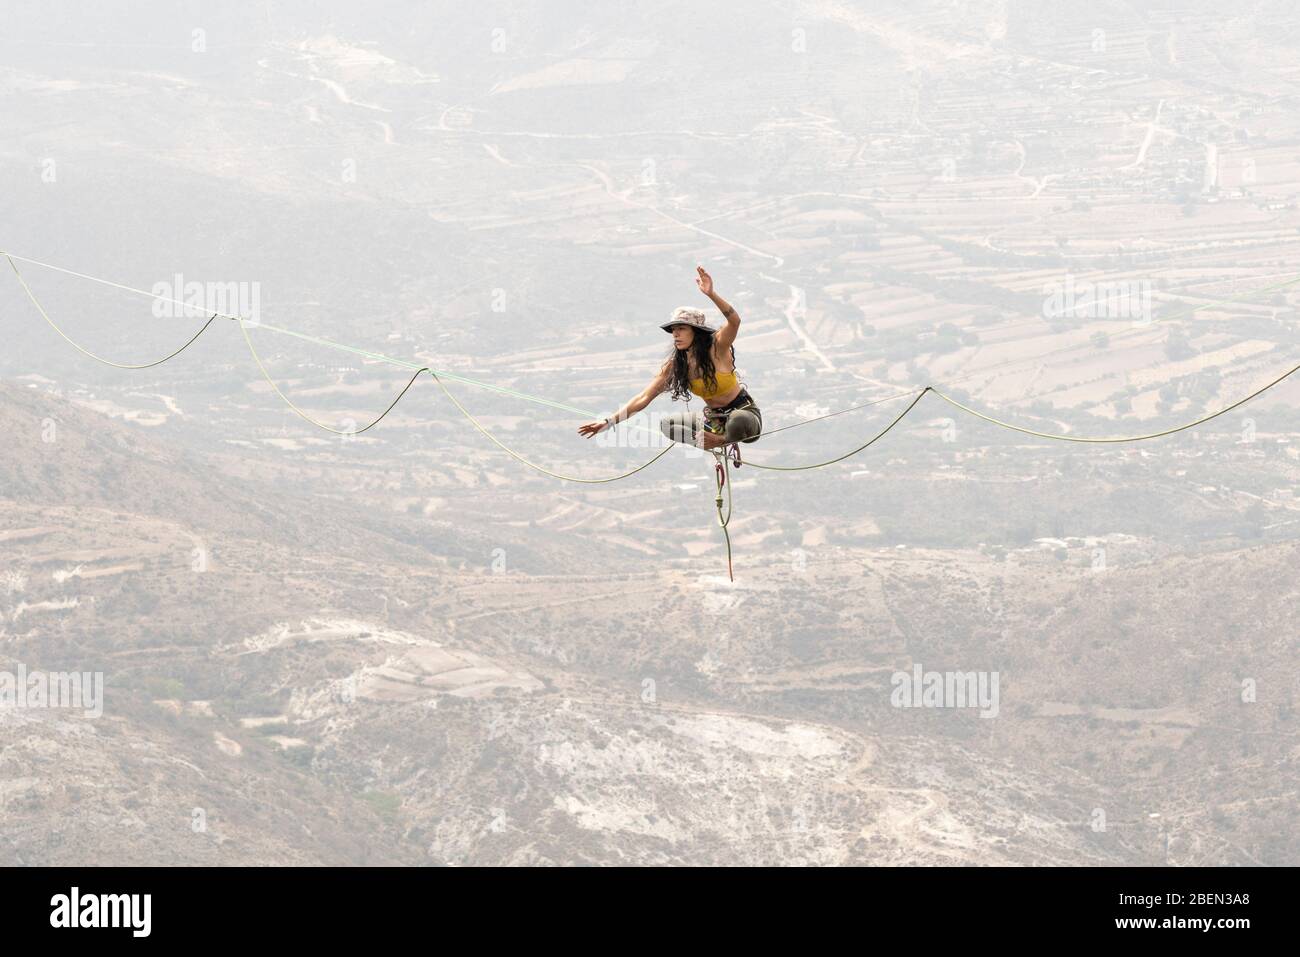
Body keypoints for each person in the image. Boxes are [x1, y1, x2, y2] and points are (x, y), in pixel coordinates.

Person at [578, 265, 762, 452]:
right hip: (714, 421)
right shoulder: (675, 366)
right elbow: (643, 397)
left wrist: (711, 294)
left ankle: (721, 440)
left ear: (696, 332)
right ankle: (710, 440)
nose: (675, 334)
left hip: (744, 418)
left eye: (681, 329)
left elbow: (735, 321)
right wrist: (609, 421)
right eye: (673, 330)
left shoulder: (717, 348)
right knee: (668, 425)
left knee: (738, 420)